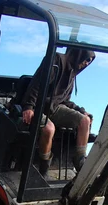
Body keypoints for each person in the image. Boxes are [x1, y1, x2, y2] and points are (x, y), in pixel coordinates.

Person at [20, 47, 96, 176]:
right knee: (48, 128)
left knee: (84, 121)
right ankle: (44, 166)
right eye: (87, 59)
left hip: (54, 108)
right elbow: (37, 84)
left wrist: (81, 111)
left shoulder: (72, 74)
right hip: (38, 106)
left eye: (90, 61)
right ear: (79, 54)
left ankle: (80, 160)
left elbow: (64, 100)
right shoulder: (57, 61)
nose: (87, 63)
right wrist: (28, 107)